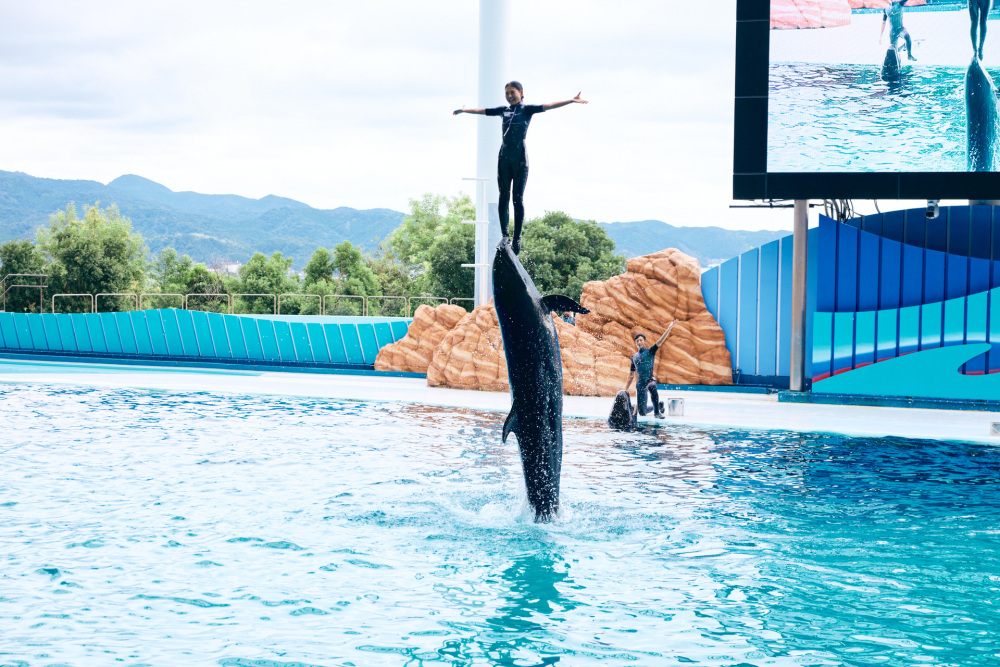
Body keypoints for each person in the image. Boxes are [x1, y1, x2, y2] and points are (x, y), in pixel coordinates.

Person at [453, 83, 588, 254]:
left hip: (520, 159)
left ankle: (517, 237)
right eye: (507, 93)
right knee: (503, 196)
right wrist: (465, 111)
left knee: (517, 198)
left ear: (521, 93)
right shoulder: (503, 110)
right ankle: (505, 235)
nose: (509, 95)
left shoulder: (528, 110)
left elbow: (549, 105)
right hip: (504, 157)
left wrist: (571, 100)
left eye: (512, 92)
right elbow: (483, 111)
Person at [623, 322, 676, 419]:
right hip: (640, 384)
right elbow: (631, 374)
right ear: (635, 343)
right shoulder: (634, 357)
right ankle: (658, 406)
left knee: (652, 387)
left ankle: (657, 413)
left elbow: (661, 340)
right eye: (637, 341)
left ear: (644, 341)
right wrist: (625, 389)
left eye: (640, 340)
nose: (639, 342)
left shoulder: (650, 351)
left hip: (650, 380)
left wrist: (669, 327)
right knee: (642, 412)